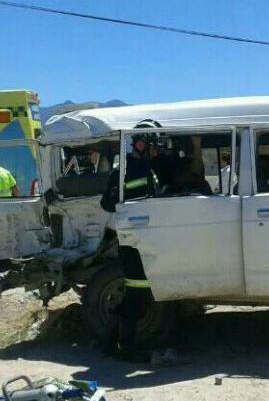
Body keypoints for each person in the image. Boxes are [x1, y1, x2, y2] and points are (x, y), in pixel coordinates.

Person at [100, 120, 162, 362]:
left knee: (137, 295)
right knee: (137, 295)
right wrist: (115, 195)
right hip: (132, 241)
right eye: (152, 145)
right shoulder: (122, 171)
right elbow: (106, 204)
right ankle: (125, 348)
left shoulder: (148, 169)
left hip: (145, 239)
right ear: (139, 144)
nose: (155, 150)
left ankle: (109, 344)